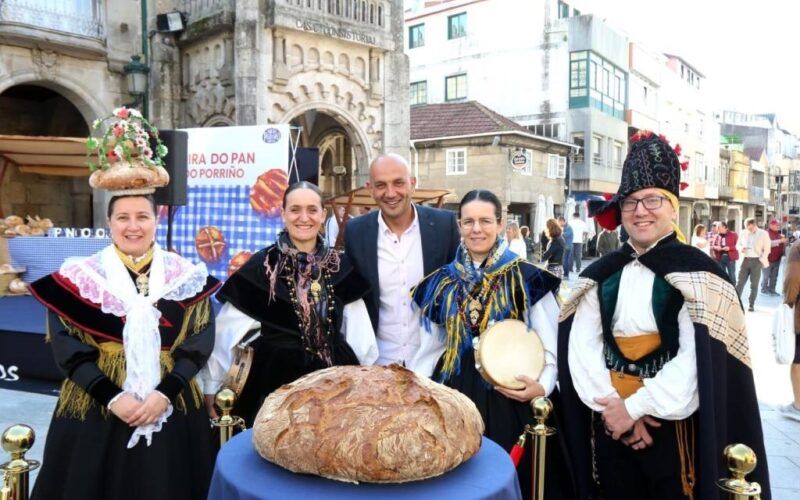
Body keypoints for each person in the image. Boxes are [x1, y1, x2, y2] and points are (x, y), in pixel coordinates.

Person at [558, 130, 770, 499]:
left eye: (653, 199)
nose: (641, 210)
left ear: (673, 206)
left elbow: (693, 362)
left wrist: (636, 408)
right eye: (631, 202)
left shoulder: (701, 276)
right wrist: (617, 414)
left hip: (673, 429)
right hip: (608, 423)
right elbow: (582, 350)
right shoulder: (600, 274)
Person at [27, 113, 221, 500]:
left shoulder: (186, 275)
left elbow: (198, 344)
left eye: (142, 216)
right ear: (109, 222)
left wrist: (163, 394)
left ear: (156, 218)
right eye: (123, 218)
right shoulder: (79, 277)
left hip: (173, 405)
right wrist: (114, 398)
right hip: (97, 409)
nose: (133, 226)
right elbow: (68, 350)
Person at [410, 189, 572, 500]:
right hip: (455, 392)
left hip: (510, 395)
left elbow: (550, 340)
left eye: (485, 221)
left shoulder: (526, 277)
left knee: (513, 476)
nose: (476, 229)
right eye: (468, 221)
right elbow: (431, 346)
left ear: (500, 225)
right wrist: (421, 389)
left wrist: (543, 386)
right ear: (459, 226)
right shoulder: (441, 281)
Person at [200, 182, 377, 426]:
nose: (304, 217)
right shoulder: (261, 266)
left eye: (312, 210)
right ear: (283, 214)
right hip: (272, 382)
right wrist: (212, 384)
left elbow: (360, 333)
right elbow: (226, 334)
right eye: (295, 210)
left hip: (335, 382)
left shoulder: (340, 266)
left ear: (323, 215)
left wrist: (365, 381)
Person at [344, 154, 460, 367]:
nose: (390, 193)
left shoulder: (444, 226)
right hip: (378, 362)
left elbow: (459, 289)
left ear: (412, 184)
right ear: (370, 189)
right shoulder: (356, 232)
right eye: (381, 185)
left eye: (398, 183)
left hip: (433, 361)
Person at [781, 241, 800, 422]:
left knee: (798, 361)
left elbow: (793, 278)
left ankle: (798, 405)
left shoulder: (798, 248)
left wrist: (788, 302)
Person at [735, 218, 770, 312]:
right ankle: (736, 303)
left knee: (754, 284)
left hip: (756, 261)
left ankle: (751, 304)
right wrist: (741, 248)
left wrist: (762, 258)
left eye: (750, 228)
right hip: (745, 260)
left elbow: (767, 248)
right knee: (739, 283)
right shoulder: (743, 232)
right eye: (747, 228)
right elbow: (737, 245)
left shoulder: (763, 233)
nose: (749, 230)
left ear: (755, 225)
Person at [762, 219, 787, 296]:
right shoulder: (765, 233)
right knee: (766, 276)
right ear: (771, 225)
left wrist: (785, 242)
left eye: (779, 225)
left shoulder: (779, 234)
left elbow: (782, 245)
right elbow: (768, 244)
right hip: (767, 258)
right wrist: (780, 241)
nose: (778, 226)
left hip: (777, 259)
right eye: (776, 225)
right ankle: (764, 289)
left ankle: (772, 289)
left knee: (774, 276)